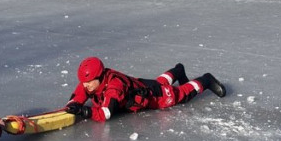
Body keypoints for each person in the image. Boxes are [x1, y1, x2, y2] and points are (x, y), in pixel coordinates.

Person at [64, 56, 226, 122]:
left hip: (151, 97)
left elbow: (106, 113)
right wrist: (73, 103)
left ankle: (206, 80)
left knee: (178, 95)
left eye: (89, 82)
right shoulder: (93, 82)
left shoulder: (114, 88)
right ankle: (178, 71)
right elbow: (82, 90)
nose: (85, 85)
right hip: (141, 86)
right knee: (159, 82)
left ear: (99, 77)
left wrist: (84, 111)